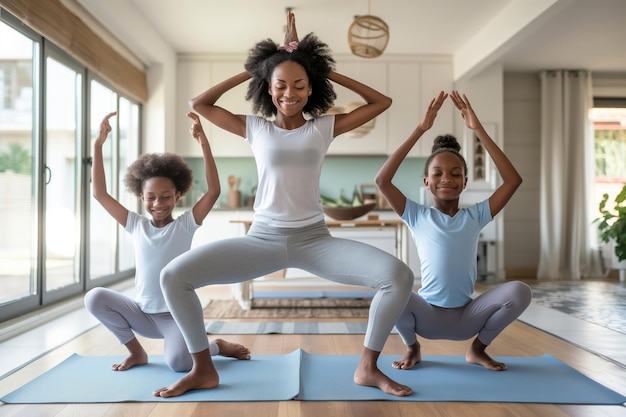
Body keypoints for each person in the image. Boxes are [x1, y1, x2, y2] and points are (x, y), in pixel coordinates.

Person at [153, 12, 414, 398]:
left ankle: (367, 368)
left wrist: (320, 68)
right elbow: (200, 103)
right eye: (280, 85)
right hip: (262, 239)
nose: (289, 93)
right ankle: (203, 369)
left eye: (299, 85)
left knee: (399, 277)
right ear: (268, 88)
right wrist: (265, 63)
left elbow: (382, 101)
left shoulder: (322, 127)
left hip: (315, 241)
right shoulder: (255, 128)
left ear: (311, 90)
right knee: (173, 277)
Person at [375, 90, 532, 372]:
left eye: (455, 173)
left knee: (520, 291)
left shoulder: (476, 215)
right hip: (425, 316)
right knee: (389, 290)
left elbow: (512, 180)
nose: (446, 178)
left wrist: (477, 129)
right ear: (426, 181)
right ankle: (412, 347)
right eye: (437, 173)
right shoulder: (416, 214)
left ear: (465, 182)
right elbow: (382, 180)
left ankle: (477, 349)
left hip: (466, 318)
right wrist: (421, 129)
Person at [85, 111, 250, 373]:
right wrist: (98, 144)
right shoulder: (135, 224)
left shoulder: (185, 225)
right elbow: (100, 194)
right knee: (94, 297)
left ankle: (216, 346)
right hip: (142, 313)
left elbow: (214, 191)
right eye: (151, 197)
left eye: (165, 197)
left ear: (178, 196)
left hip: (175, 318)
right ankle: (136, 353)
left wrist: (204, 144)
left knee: (180, 364)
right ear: (141, 196)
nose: (158, 204)